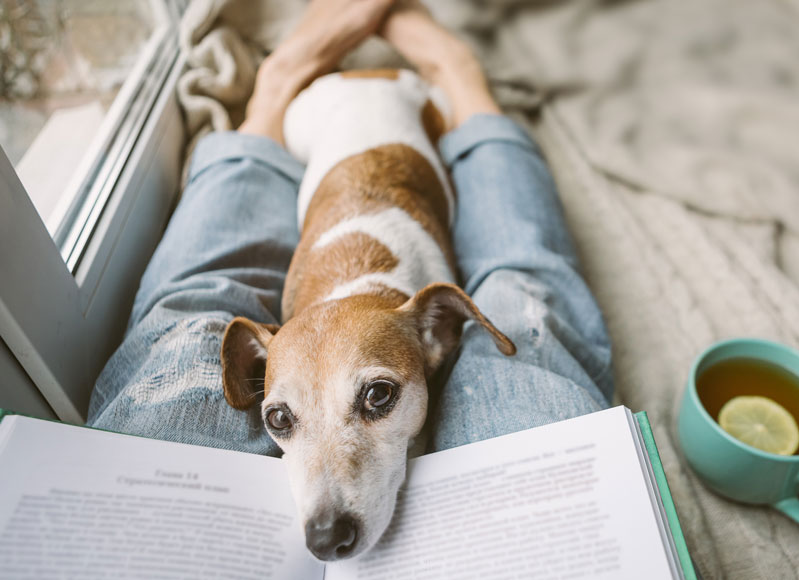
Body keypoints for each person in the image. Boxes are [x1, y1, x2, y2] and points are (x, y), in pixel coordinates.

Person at [86, 0, 613, 456]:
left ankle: (410, 76)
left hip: (407, 106)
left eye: (377, 396)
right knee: (523, 287)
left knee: (193, 311)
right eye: (281, 419)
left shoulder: (421, 326)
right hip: (338, 121)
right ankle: (449, 78)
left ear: (438, 330)